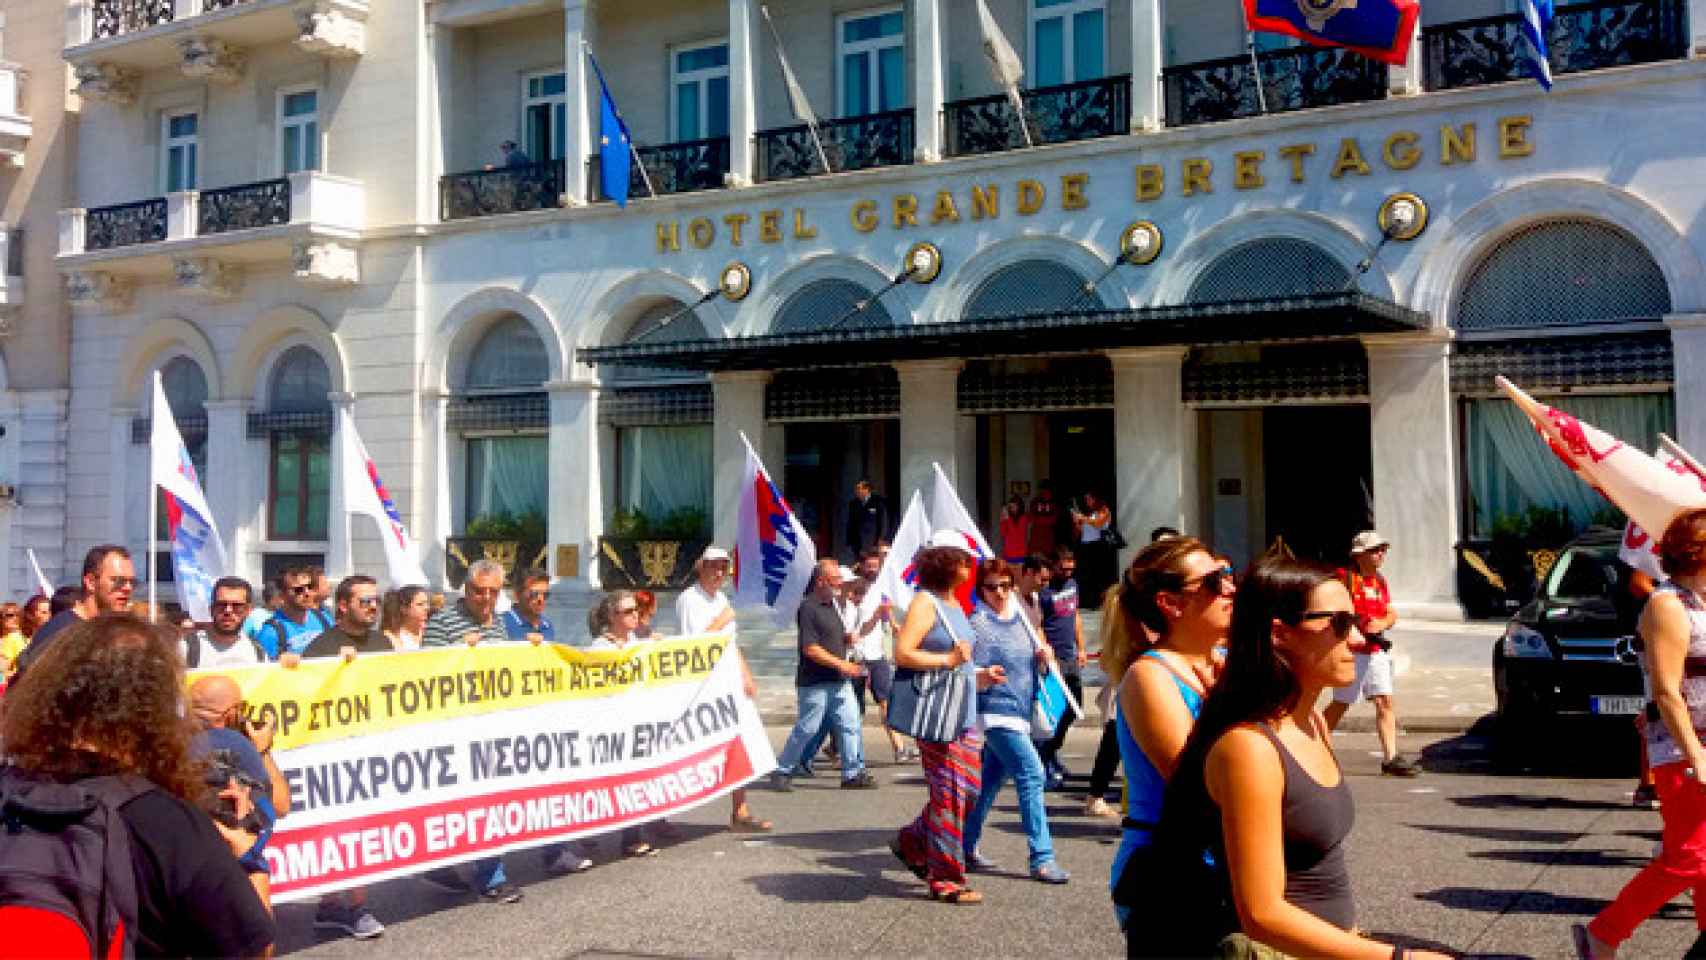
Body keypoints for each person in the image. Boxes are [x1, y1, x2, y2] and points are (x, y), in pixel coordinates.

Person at [1153, 558, 1449, 960]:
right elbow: (1262, 914)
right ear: (1280, 633)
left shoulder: (1311, 721)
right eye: (1340, 624)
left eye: (1357, 620)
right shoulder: (1249, 748)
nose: (1361, 639)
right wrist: (1400, 958)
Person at [0, 614, 275, 957]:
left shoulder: (7, 791)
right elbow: (252, 950)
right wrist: (250, 860)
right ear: (156, 708)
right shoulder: (167, 823)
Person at [1577, 508, 1706, 960]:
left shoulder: (1703, 603)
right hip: (1682, 746)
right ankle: (1605, 932)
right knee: (1692, 857)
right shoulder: (1667, 605)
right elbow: (1668, 691)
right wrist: (1697, 755)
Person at [1104, 537, 1233, 940]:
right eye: (1214, 582)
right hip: (1172, 873)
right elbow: (1193, 783)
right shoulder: (1150, 676)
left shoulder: (1225, 660)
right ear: (1172, 603)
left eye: (1228, 573)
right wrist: (1225, 710)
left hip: (1226, 863)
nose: (1230, 587)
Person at [890, 531, 998, 905]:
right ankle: (947, 879)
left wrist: (979, 676)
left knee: (966, 793)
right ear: (947, 562)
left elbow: (959, 662)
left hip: (963, 713)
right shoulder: (926, 602)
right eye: (965, 559)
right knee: (951, 795)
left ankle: (912, 840)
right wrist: (947, 661)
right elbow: (902, 653)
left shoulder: (955, 604)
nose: (971, 566)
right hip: (939, 716)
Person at [419, 559, 524, 903]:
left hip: (491, 723)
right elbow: (424, 671)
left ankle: (491, 872)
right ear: (466, 589)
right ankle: (463, 866)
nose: (486, 598)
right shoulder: (443, 621)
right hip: (456, 725)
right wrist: (458, 652)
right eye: (479, 591)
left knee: (492, 798)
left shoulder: (500, 624)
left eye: (493, 592)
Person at [962, 558, 1071, 883]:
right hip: (994, 711)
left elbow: (1030, 668)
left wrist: (1043, 659)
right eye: (991, 586)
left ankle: (963, 846)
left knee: (989, 782)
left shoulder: (1022, 620)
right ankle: (1042, 857)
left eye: (1004, 585)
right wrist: (982, 674)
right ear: (981, 590)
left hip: (1020, 710)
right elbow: (964, 667)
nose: (999, 592)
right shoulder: (977, 622)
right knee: (1032, 773)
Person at [674, 545, 772, 833]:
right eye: (713, 566)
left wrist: (746, 674)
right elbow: (693, 646)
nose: (719, 573)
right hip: (706, 687)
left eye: (723, 567)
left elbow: (731, 643)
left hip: (729, 684)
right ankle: (660, 815)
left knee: (739, 742)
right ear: (700, 567)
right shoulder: (689, 600)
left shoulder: (721, 599)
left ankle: (740, 810)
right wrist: (722, 620)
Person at [770, 561, 878, 791]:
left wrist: (847, 640)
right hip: (815, 682)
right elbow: (810, 648)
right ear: (821, 581)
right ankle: (783, 769)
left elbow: (833, 637)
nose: (840, 583)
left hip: (838, 680)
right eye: (835, 579)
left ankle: (852, 773)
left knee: (850, 723)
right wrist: (842, 664)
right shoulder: (809, 608)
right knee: (808, 728)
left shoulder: (835, 606)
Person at [188, 675, 292, 911]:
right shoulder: (236, 744)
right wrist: (262, 751)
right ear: (230, 714)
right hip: (230, 870)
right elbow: (280, 806)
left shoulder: (166, 740)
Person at [1322, 530, 1420, 777]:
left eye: (1383, 550)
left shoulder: (1379, 581)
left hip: (1375, 649)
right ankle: (1316, 746)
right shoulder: (1343, 579)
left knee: (1385, 700)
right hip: (1352, 651)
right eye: (1376, 550)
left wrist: (1382, 624)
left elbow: (1390, 612)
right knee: (1341, 703)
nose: (1381, 555)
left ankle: (1391, 758)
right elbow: (1333, 612)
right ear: (1359, 555)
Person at [585, 590, 673, 859]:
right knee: (604, 784)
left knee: (634, 779)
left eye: (636, 609)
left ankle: (631, 837)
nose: (635, 615)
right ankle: (586, 830)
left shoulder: (638, 641)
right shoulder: (600, 647)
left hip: (635, 725)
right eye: (628, 611)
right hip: (609, 727)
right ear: (612, 616)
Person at [12, 544, 135, 682]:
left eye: (132, 582)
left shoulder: (113, 631)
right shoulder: (60, 633)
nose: (127, 588)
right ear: (90, 582)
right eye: (118, 581)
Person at [1037, 547, 1087, 789]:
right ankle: (1044, 761)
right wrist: (1047, 653)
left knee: (1074, 709)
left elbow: (1074, 615)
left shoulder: (1072, 585)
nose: (1068, 572)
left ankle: (1051, 751)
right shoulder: (1044, 593)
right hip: (1053, 660)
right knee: (1053, 713)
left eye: (1071, 568)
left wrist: (1082, 647)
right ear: (1053, 566)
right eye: (1063, 568)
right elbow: (1039, 626)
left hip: (1071, 657)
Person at [183, 577, 268, 668]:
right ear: (211, 609)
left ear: (248, 610)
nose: (228, 610)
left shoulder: (258, 654)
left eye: (237, 606)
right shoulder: (186, 649)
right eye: (221, 605)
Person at [260, 565, 334, 659]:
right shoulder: (271, 632)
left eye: (310, 587)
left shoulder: (324, 618)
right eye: (298, 590)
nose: (306, 593)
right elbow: (263, 670)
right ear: (282, 595)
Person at [1072, 490, 1116, 610]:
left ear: (1095, 499)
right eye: (1086, 499)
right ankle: (1087, 601)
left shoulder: (1104, 510)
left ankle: (1098, 602)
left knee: (1098, 575)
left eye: (1089, 499)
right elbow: (1077, 534)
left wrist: (1083, 518)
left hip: (1097, 546)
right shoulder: (1087, 513)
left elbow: (1098, 524)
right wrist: (1077, 524)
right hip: (1085, 546)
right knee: (1085, 575)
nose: (1087, 501)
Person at [502, 568, 554, 643]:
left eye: (545, 595)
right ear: (517, 594)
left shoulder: (547, 626)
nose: (540, 599)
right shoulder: (503, 623)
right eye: (534, 594)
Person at [845, 480, 893, 561]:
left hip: (873, 541)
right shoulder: (853, 504)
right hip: (858, 542)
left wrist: (881, 538)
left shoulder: (878, 502)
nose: (857, 491)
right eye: (856, 489)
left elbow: (883, 522)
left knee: (872, 563)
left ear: (866, 489)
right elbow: (851, 523)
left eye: (859, 489)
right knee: (859, 564)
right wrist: (849, 540)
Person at [381, 584, 432, 651]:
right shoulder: (392, 636)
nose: (426, 608)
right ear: (404, 609)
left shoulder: (433, 629)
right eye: (420, 604)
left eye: (427, 603)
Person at [1016, 554, 1051, 630]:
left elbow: (1038, 629)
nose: (1047, 584)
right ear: (1029, 572)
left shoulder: (1036, 598)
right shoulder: (1012, 600)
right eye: (1043, 579)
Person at [1029, 481, 1060, 560]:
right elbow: (1032, 517)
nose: (1042, 493)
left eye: (1045, 491)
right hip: (1036, 539)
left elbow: (1053, 519)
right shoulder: (1035, 502)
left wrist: (1040, 520)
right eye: (1041, 491)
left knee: (1047, 562)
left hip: (1047, 539)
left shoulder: (1054, 503)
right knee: (1035, 563)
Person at [997, 495, 1031, 564]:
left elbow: (1016, 533)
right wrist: (1002, 521)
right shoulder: (1008, 518)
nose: (1011, 509)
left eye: (1013, 506)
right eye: (1010, 507)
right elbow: (1003, 534)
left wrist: (1008, 519)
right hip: (1008, 553)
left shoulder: (1024, 518)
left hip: (1020, 554)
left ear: (1019, 506)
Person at [0, 601, 25, 676]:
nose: (15, 618)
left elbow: (1, 669)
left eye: (18, 615)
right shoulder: (23, 637)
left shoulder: (12, 638)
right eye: (10, 615)